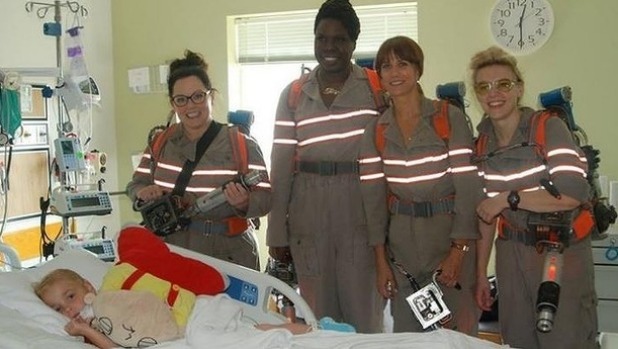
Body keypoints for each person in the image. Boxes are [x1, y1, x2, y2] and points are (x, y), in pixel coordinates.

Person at [266, 0, 384, 333]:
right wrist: (277, 232)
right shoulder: (294, 94)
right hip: (309, 210)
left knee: (365, 316)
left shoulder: (377, 90)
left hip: (360, 206)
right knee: (317, 318)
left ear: (354, 43)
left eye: (339, 39)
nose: (329, 46)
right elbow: (281, 165)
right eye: (322, 38)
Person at [471, 46, 598, 349]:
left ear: (518, 88)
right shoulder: (482, 144)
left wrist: (509, 198)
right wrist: (479, 274)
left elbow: (572, 193)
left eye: (503, 84)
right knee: (517, 339)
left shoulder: (548, 128)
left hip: (559, 252)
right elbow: (487, 214)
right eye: (483, 86)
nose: (494, 93)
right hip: (511, 254)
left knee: (565, 339)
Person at [358, 36, 481, 334]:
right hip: (403, 252)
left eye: (403, 64)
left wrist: (458, 250)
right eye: (386, 67)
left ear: (418, 70)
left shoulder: (448, 118)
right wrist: (381, 262)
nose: (394, 73)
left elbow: (468, 189)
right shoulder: (376, 130)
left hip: (448, 241)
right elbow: (373, 202)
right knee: (409, 336)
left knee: (456, 335)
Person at [126, 50, 271, 271]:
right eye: (181, 100)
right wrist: (141, 193)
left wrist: (244, 203)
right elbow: (136, 184)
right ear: (173, 104)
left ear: (211, 96)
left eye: (198, 96)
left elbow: (266, 198)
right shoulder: (160, 142)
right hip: (170, 251)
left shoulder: (241, 144)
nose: (190, 106)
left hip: (228, 255)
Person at [34, 268, 314, 349]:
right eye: (58, 308)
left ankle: (287, 333)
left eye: (70, 296)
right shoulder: (90, 328)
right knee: (236, 335)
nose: (69, 309)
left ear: (87, 284)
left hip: (196, 311)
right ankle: (300, 330)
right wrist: (86, 331)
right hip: (186, 325)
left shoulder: (113, 295)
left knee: (205, 339)